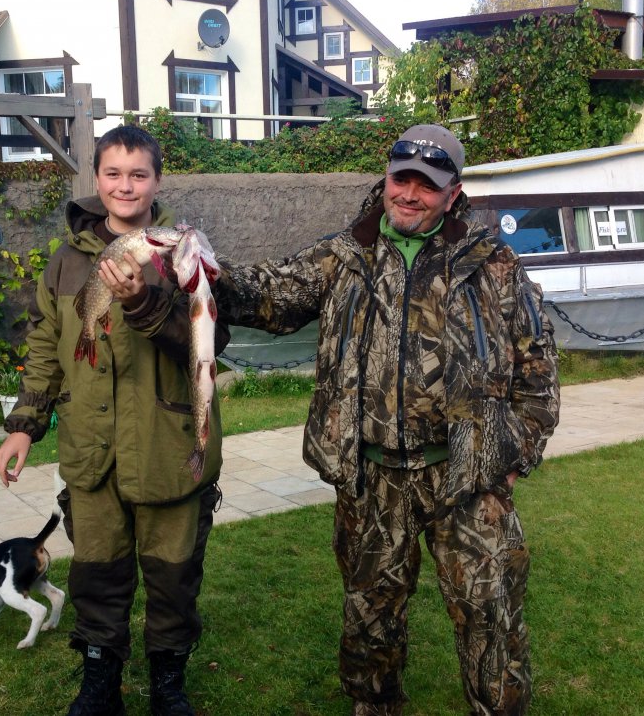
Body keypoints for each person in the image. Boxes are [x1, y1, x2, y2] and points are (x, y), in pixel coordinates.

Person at [210, 124, 560, 715]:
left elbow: (538, 365)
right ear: (387, 176)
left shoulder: (491, 264)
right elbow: (268, 295)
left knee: (491, 619)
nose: (410, 195)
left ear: (452, 193)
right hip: (371, 479)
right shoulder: (346, 254)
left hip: (466, 479)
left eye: (428, 185)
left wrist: (513, 456)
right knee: (370, 621)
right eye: (403, 179)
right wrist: (198, 271)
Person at [0, 125, 228, 716]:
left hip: (168, 448)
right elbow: (45, 346)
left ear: (157, 180)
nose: (126, 186)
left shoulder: (183, 251)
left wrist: (143, 302)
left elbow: (211, 341)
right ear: (96, 179)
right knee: (97, 577)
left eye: (139, 174)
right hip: (91, 451)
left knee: (174, 578)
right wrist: (24, 424)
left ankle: (168, 685)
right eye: (113, 173)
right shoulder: (66, 261)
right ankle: (100, 682)